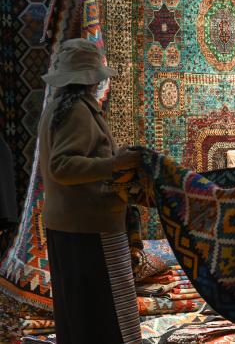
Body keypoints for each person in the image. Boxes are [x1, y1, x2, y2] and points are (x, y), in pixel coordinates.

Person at [38, 38, 142, 344]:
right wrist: (115, 164)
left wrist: (111, 161)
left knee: (78, 312)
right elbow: (62, 165)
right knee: (103, 314)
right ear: (91, 79)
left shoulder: (58, 108)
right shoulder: (77, 111)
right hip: (90, 228)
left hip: (69, 224)